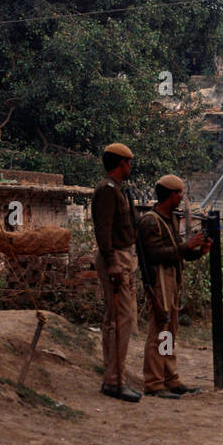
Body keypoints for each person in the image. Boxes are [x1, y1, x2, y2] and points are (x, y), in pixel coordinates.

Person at [138, 175, 210, 399]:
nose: (181, 197)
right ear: (171, 195)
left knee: (169, 332)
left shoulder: (169, 218)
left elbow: (177, 252)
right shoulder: (151, 221)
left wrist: (197, 251)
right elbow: (154, 254)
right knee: (159, 332)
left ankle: (170, 377)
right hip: (159, 282)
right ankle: (154, 382)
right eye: (179, 193)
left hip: (171, 281)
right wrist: (184, 246)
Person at [92, 143, 142, 403]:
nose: (130, 167)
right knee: (121, 320)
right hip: (115, 258)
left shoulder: (117, 190)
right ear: (120, 163)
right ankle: (114, 381)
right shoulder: (107, 190)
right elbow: (103, 230)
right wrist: (112, 264)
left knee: (117, 319)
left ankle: (113, 377)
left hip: (122, 256)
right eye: (128, 162)